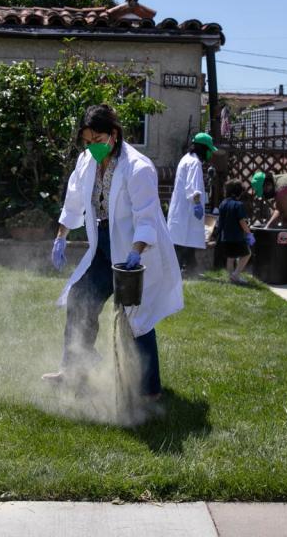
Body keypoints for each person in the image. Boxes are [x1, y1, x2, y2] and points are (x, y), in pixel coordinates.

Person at [46, 104, 183, 399]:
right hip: (104, 244)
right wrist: (61, 237)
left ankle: (149, 393)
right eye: (87, 140)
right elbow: (73, 201)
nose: (91, 146)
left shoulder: (138, 168)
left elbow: (146, 217)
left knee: (137, 318)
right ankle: (75, 371)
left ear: (114, 134)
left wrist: (135, 254)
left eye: (97, 140)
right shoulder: (86, 162)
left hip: (136, 248)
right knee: (80, 299)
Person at [167, 133, 215, 277]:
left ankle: (189, 269)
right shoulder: (194, 163)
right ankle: (186, 270)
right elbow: (192, 187)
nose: (209, 154)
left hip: (180, 209)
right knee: (185, 241)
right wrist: (197, 205)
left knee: (182, 241)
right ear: (203, 148)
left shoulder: (186, 159)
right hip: (187, 210)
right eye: (209, 150)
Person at [215, 178, 255, 285]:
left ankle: (231, 278)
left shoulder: (223, 204)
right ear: (239, 192)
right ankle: (236, 274)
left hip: (225, 237)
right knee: (247, 254)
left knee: (230, 257)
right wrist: (249, 233)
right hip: (237, 237)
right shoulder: (238, 205)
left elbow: (220, 220)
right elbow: (242, 222)